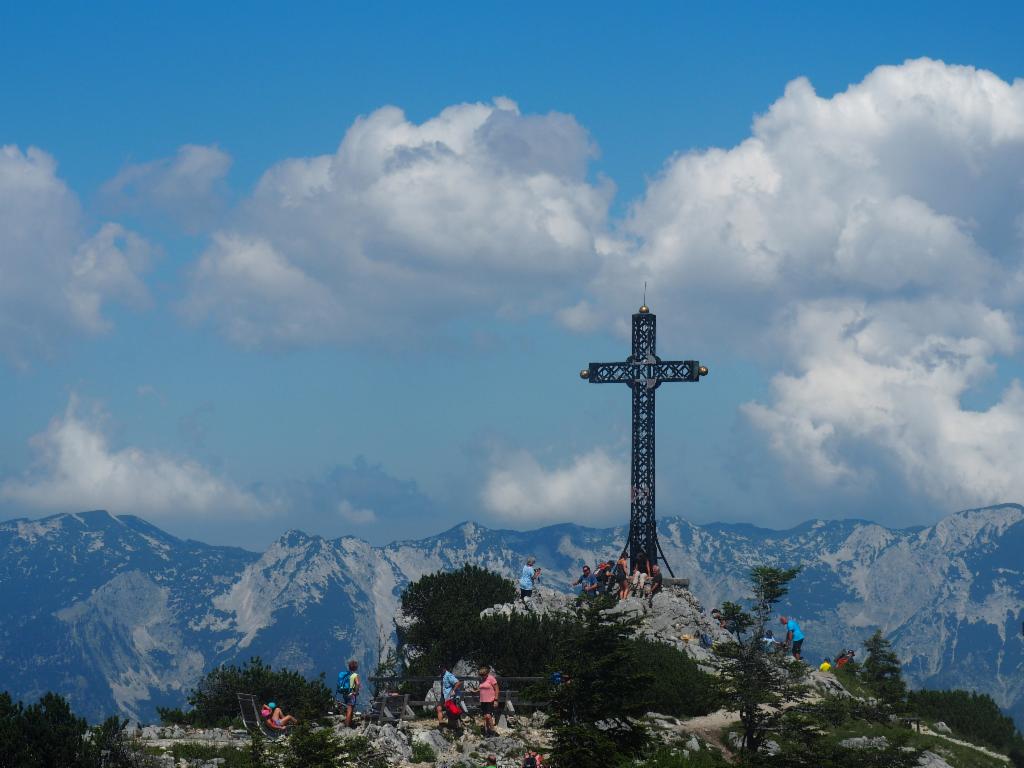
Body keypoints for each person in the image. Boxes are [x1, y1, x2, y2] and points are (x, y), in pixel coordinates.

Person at [436, 663, 463, 728]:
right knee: (438, 708)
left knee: (451, 710)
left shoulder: (449, 675)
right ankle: (441, 724)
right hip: (444, 695)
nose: (440, 671)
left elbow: (458, 683)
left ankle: (454, 725)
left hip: (449, 696)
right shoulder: (442, 676)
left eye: (441, 669)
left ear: (444, 668)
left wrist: (453, 690)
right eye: (439, 670)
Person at [337, 659, 360, 727]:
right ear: (356, 667)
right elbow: (358, 684)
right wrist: (356, 692)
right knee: (350, 709)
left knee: (349, 708)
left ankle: (349, 723)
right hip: (351, 694)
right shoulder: (355, 675)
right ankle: (347, 726)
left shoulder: (347, 674)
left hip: (345, 693)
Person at [477, 665, 499, 737]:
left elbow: (497, 689)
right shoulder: (482, 679)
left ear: (487, 673)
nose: (482, 676)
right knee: (485, 716)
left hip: (490, 700)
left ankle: (493, 731)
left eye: (483, 675)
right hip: (483, 700)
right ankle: (487, 732)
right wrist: (475, 690)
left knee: (488, 716)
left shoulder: (491, 678)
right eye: (481, 675)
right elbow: (482, 688)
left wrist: (496, 699)